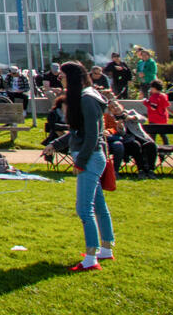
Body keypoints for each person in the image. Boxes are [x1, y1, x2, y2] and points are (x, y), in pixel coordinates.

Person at [62, 61, 115, 272]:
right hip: (91, 156)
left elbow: (92, 135)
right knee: (99, 205)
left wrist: (80, 161)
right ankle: (106, 248)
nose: (60, 79)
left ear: (72, 77)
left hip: (90, 158)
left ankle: (91, 257)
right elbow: (78, 132)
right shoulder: (86, 97)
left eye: (62, 76)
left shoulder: (87, 99)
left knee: (84, 208)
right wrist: (54, 145)